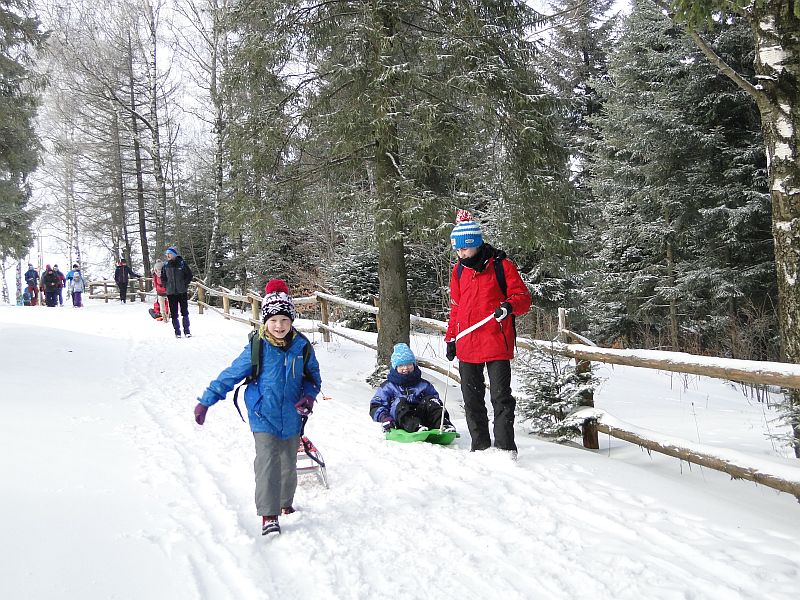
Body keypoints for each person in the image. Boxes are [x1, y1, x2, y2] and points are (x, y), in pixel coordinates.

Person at [193, 279, 322, 537]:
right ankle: (268, 515)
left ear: (291, 321)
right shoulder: (257, 347)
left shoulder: (302, 346)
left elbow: (313, 378)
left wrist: (308, 397)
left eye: (285, 320)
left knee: (287, 464)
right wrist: (207, 400)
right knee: (266, 462)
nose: (279, 326)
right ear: (265, 321)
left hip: (293, 417)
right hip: (263, 414)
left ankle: (285, 503)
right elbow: (231, 375)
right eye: (274, 321)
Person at [444, 209, 531, 455]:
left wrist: (508, 306)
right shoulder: (459, 271)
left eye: (465, 249)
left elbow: (523, 298)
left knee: (501, 398)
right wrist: (451, 337)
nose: (461, 254)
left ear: (476, 244)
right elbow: (456, 308)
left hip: (496, 341)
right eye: (457, 250)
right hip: (467, 343)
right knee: (472, 400)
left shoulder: (502, 266)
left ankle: (505, 448)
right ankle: (479, 446)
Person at [370, 343, 456, 434]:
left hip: (422, 418)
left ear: (414, 365)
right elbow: (376, 405)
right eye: (401, 365)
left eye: (409, 364)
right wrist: (384, 417)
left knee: (432, 400)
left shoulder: (424, 385)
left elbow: (436, 403)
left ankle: (444, 425)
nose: (406, 368)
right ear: (395, 367)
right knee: (401, 403)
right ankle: (415, 426)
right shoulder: (388, 387)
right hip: (400, 420)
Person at [161, 247, 192, 338]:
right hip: (171, 293)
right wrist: (166, 285)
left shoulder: (182, 263)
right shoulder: (166, 265)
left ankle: (187, 331)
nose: (167, 255)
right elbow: (163, 278)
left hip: (182, 291)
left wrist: (184, 284)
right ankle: (177, 332)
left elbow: (189, 275)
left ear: (174, 254)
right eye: (167, 254)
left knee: (184, 312)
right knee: (174, 313)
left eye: (169, 254)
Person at [152, 258, 169, 323]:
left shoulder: (166, 275)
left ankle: (168, 315)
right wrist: (156, 289)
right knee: (161, 306)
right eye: (158, 270)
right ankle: (164, 318)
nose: (159, 271)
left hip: (167, 292)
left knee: (169, 305)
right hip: (160, 292)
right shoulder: (155, 275)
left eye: (160, 270)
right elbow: (155, 283)